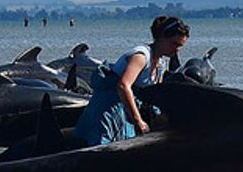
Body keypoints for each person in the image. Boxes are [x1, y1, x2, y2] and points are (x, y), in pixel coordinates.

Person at [72, 15, 189, 146]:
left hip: (126, 113)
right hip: (109, 111)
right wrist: (138, 120)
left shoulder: (161, 63)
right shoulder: (141, 56)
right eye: (174, 44)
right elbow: (123, 85)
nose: (177, 49)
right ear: (161, 38)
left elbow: (154, 94)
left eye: (181, 46)